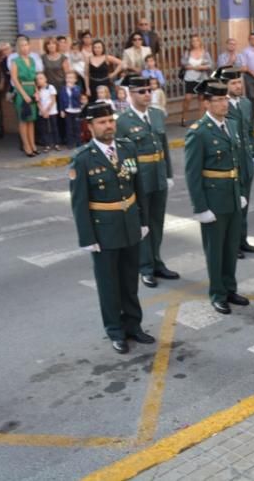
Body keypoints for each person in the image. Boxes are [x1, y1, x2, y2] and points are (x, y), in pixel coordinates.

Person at [68, 100, 153, 355]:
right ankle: (115, 331)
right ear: (90, 126)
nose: (109, 126)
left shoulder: (127, 149)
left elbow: (139, 188)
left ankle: (134, 326)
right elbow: (79, 203)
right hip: (103, 231)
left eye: (111, 121)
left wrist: (144, 221)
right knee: (108, 284)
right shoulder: (82, 159)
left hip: (129, 225)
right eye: (102, 122)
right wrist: (87, 237)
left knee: (129, 279)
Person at [184, 78, 249, 315]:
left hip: (231, 196)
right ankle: (218, 293)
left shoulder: (230, 125)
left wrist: (241, 192)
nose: (225, 104)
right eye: (219, 100)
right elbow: (193, 174)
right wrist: (201, 207)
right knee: (215, 250)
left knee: (231, 247)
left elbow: (237, 163)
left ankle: (230, 288)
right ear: (206, 104)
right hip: (213, 200)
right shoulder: (199, 133)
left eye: (226, 99)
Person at [116, 75, 179, 289]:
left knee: (157, 222)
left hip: (158, 175)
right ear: (130, 94)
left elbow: (164, 146)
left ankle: (157, 261)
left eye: (149, 90)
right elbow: (120, 157)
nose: (147, 95)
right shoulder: (122, 121)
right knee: (142, 224)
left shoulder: (157, 114)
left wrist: (168, 174)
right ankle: (145, 267)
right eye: (141, 91)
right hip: (139, 179)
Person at [216, 67, 254, 257]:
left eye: (239, 82)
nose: (238, 85)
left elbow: (250, 131)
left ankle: (242, 239)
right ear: (225, 85)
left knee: (245, 203)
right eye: (233, 83)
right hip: (231, 161)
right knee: (233, 205)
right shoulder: (222, 105)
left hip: (246, 160)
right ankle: (231, 245)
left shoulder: (246, 103)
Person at [11, 36, 39, 157]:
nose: (25, 48)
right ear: (18, 47)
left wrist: (37, 91)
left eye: (26, 45)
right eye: (22, 45)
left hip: (32, 89)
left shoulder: (32, 60)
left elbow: (35, 78)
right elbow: (15, 79)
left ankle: (33, 145)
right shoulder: (15, 61)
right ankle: (26, 146)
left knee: (31, 120)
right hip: (22, 91)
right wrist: (24, 95)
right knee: (23, 120)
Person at [179, 35, 213, 127]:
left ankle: (200, 119)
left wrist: (201, 67)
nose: (195, 43)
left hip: (202, 78)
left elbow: (210, 65)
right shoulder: (187, 52)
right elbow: (183, 64)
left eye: (196, 41)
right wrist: (193, 67)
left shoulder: (205, 52)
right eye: (193, 41)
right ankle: (184, 118)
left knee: (201, 98)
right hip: (190, 78)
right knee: (188, 98)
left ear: (200, 42)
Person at [34, 72, 60, 152]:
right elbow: (38, 102)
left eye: (41, 78)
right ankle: (47, 145)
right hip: (42, 113)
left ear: (45, 79)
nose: (39, 80)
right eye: (37, 79)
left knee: (54, 127)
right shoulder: (37, 90)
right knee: (44, 129)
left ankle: (56, 144)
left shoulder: (51, 87)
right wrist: (42, 111)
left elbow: (53, 100)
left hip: (52, 111)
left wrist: (47, 111)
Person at [59, 71, 84, 148]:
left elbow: (77, 97)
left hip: (76, 111)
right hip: (68, 111)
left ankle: (78, 142)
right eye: (68, 78)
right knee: (69, 127)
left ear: (75, 80)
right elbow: (61, 100)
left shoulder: (77, 88)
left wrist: (72, 89)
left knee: (77, 127)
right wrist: (62, 110)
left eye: (71, 78)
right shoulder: (63, 88)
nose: (69, 79)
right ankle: (70, 143)